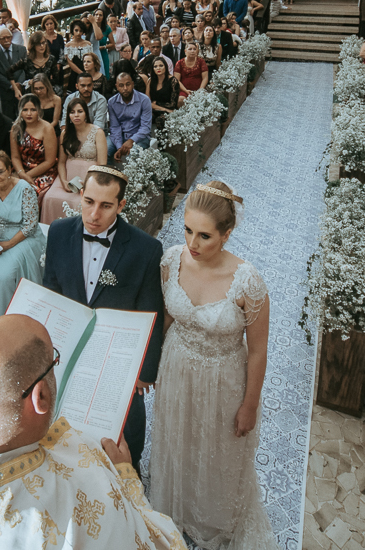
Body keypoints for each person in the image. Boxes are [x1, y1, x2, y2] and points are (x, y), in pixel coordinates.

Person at [0, 314, 186, 549]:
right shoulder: (84, 495)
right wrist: (126, 476)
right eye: (54, 361)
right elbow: (158, 542)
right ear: (40, 397)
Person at [148, 181, 276, 549]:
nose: (193, 244)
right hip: (176, 366)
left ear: (227, 234)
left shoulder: (247, 282)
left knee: (218, 455)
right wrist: (153, 366)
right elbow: (169, 319)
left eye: (204, 235)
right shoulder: (172, 260)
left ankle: (212, 516)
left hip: (223, 379)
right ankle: (179, 508)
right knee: (178, 440)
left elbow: (257, 351)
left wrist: (249, 405)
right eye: (187, 230)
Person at [42, 167, 164, 464]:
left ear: (121, 206)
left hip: (118, 357)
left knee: (125, 429)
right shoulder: (58, 233)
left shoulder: (145, 249)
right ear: (81, 195)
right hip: (71, 348)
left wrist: (145, 372)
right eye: (89, 202)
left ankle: (128, 477)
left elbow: (153, 312)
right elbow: (52, 293)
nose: (94, 214)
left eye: (106, 206)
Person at [0, 151, 45, 328]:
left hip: (21, 237)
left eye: (0, 171)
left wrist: (7, 245)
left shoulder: (25, 189)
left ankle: (10, 321)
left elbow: (30, 225)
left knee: (5, 275)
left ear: (10, 170)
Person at [41, 96, 107, 224]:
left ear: (86, 114)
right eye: (72, 112)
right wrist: (64, 181)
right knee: (49, 198)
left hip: (90, 177)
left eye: (80, 111)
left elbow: (102, 165)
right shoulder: (65, 133)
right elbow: (61, 162)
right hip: (67, 176)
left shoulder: (97, 132)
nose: (76, 115)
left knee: (79, 202)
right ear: (68, 116)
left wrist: (88, 183)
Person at [10, 93, 58, 199]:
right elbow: (15, 157)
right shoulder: (16, 128)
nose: (29, 113)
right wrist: (21, 173)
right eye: (25, 110)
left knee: (29, 193)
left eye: (33, 110)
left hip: (44, 171)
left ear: (39, 110)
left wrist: (27, 176)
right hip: (21, 170)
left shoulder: (47, 128)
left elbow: (50, 161)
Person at [108, 71, 153, 164]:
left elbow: (145, 128)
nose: (125, 88)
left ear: (132, 84)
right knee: (105, 149)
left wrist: (131, 140)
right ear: (116, 86)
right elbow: (115, 127)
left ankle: (132, 178)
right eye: (121, 85)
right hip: (120, 136)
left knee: (133, 153)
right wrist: (119, 147)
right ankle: (110, 177)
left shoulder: (144, 100)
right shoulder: (112, 102)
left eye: (127, 84)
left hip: (140, 137)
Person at [0, 24, 27, 118]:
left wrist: (19, 83)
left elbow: (24, 69)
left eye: (8, 37)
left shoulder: (21, 49)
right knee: (8, 117)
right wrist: (11, 86)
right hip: (5, 91)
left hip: (21, 89)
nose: (6, 40)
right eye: (3, 38)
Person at [18, 31, 62, 98]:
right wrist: (26, 83)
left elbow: (56, 80)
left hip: (47, 92)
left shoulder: (51, 59)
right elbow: (11, 72)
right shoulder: (27, 60)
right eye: (38, 44)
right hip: (31, 93)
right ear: (33, 45)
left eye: (43, 43)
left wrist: (46, 83)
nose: (42, 46)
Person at [146, 57, 183, 127]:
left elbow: (172, 105)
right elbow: (147, 102)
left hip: (169, 112)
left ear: (165, 67)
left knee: (160, 121)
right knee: (146, 118)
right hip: (156, 110)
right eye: (155, 66)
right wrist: (163, 108)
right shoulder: (150, 81)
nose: (158, 68)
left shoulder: (173, 81)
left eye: (161, 65)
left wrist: (156, 103)